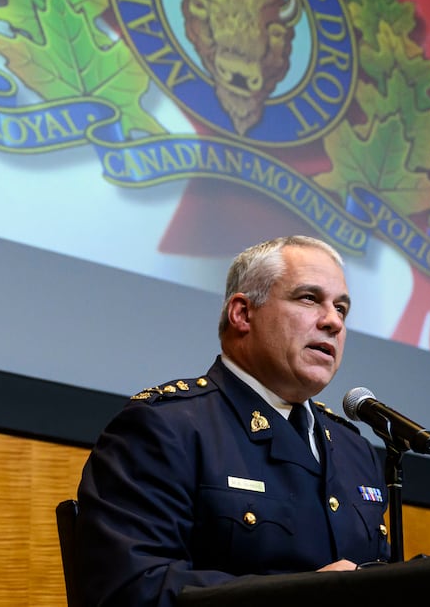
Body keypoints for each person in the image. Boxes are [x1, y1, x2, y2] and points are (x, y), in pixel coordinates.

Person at [73, 236, 389, 607]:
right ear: (242, 313)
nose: (333, 321)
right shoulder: (166, 427)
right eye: (309, 298)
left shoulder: (355, 449)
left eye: (341, 309)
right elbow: (129, 588)